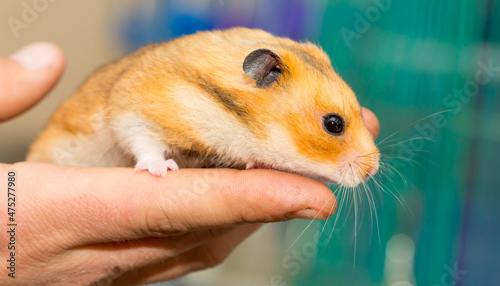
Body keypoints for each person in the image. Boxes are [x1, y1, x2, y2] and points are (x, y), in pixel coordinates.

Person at [0, 42, 380, 285]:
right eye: (334, 126)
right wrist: (149, 153)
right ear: (267, 74)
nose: (370, 164)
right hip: (63, 159)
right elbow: (129, 105)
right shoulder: (186, 87)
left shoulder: (237, 130)